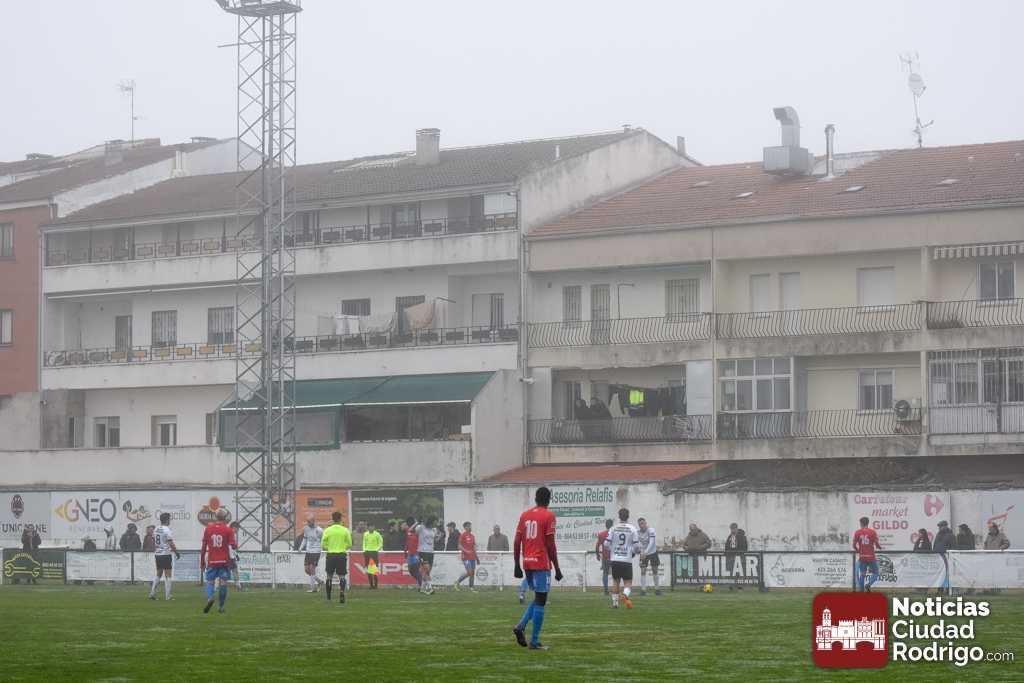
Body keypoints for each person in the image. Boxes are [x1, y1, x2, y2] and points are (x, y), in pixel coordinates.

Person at [512, 486, 563, 650]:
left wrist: (516, 564)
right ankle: (534, 641)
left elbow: (517, 541)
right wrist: (557, 568)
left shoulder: (525, 515)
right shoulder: (549, 515)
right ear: (549, 500)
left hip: (527, 562)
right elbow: (550, 545)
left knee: (538, 598)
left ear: (535, 498)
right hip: (541, 562)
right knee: (541, 600)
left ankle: (520, 626)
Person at [200, 508, 238, 614]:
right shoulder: (228, 530)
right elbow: (233, 545)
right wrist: (234, 545)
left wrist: (202, 561)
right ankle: (221, 607)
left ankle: (210, 598)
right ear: (225, 518)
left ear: (215, 517)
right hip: (224, 561)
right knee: (223, 583)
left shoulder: (208, 529)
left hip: (212, 560)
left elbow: (203, 547)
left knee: (210, 581)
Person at [605, 508, 641, 609]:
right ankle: (625, 595)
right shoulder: (633, 529)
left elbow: (606, 544)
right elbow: (636, 546)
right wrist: (635, 552)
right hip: (626, 560)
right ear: (628, 516)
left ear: (619, 516)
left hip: (615, 559)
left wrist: (613, 550)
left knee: (616, 581)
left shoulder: (613, 528)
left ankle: (615, 604)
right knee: (628, 582)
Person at [322, 511, 353, 604]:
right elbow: (349, 544)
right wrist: (343, 547)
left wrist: (329, 547)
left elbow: (323, 545)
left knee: (329, 576)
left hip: (331, 554)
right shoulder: (345, 530)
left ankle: (328, 597)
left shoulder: (327, 530)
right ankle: (342, 593)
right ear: (340, 519)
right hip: (341, 554)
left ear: (332, 519)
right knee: (342, 576)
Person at [149, 512, 181, 601]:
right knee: (168, 575)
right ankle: (168, 596)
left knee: (159, 573)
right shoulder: (167, 530)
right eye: (169, 519)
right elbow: (170, 543)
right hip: (165, 553)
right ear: (167, 520)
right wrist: (177, 552)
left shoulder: (156, 529)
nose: (170, 520)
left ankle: (152, 593)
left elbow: (155, 540)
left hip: (157, 554)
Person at [852, 517, 882, 592]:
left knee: (862, 574)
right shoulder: (872, 532)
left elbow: (854, 545)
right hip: (871, 556)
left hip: (862, 557)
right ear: (867, 523)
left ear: (861, 523)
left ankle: (861, 591)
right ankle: (868, 584)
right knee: (876, 573)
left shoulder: (857, 532)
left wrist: (858, 550)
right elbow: (876, 543)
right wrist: (879, 547)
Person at [299, 514, 324, 593]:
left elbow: (323, 541)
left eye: (309, 521)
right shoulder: (306, 529)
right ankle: (320, 582)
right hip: (308, 551)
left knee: (312, 568)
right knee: (307, 570)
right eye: (307, 521)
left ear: (313, 521)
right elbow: (305, 539)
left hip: (316, 551)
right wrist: (300, 547)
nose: (308, 523)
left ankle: (313, 588)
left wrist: (322, 549)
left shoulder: (319, 530)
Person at [637, 517, 661, 596]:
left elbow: (651, 542)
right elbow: (638, 544)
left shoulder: (651, 530)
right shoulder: (637, 532)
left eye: (643, 523)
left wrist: (645, 552)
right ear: (639, 525)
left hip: (652, 552)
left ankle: (657, 589)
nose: (642, 525)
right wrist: (641, 552)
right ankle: (643, 590)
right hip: (643, 553)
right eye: (640, 524)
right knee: (643, 571)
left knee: (655, 570)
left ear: (645, 523)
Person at [415, 517, 437, 594]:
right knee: (426, 569)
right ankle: (430, 588)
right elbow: (413, 531)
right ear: (431, 521)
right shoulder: (421, 528)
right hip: (422, 551)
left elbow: (434, 539)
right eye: (435, 522)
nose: (436, 523)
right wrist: (418, 522)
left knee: (427, 571)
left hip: (431, 552)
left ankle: (422, 588)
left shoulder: (434, 529)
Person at [454, 521, 478, 591]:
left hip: (472, 557)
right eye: (469, 526)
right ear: (465, 527)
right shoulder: (463, 535)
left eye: (470, 526)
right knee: (469, 572)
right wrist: (466, 551)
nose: (470, 527)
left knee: (472, 573)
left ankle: (471, 587)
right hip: (465, 557)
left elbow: (474, 547)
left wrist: (477, 558)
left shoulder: (472, 536)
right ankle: (457, 582)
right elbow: (459, 546)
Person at [362, 522, 384, 589]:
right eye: (370, 526)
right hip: (367, 552)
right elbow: (364, 543)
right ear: (368, 527)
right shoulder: (365, 534)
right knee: (369, 570)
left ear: (374, 527)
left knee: (374, 570)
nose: (371, 528)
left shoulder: (377, 534)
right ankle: (371, 585)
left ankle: (376, 585)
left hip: (374, 553)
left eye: (372, 526)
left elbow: (381, 543)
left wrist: (376, 549)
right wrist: (364, 550)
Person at [403, 519, 423, 590]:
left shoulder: (418, 535)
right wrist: (405, 551)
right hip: (410, 555)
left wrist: (418, 523)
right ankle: (421, 582)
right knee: (410, 571)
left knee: (416, 569)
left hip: (416, 555)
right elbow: (407, 543)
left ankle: (421, 585)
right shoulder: (409, 533)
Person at [595, 519, 613, 595]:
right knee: (616, 574)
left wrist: (597, 555)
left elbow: (597, 545)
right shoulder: (615, 533)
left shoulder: (601, 534)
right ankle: (616, 589)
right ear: (612, 525)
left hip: (605, 557)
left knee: (605, 573)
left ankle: (606, 591)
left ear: (606, 525)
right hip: (614, 557)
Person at [228, 521, 243, 590]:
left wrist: (236, 555)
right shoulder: (230, 533)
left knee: (234, 570)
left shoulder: (230, 533)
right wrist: (234, 555)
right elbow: (230, 546)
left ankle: (238, 586)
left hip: (230, 556)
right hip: (229, 556)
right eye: (238, 528)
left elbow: (231, 546)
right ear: (234, 527)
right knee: (234, 570)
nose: (238, 530)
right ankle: (238, 586)